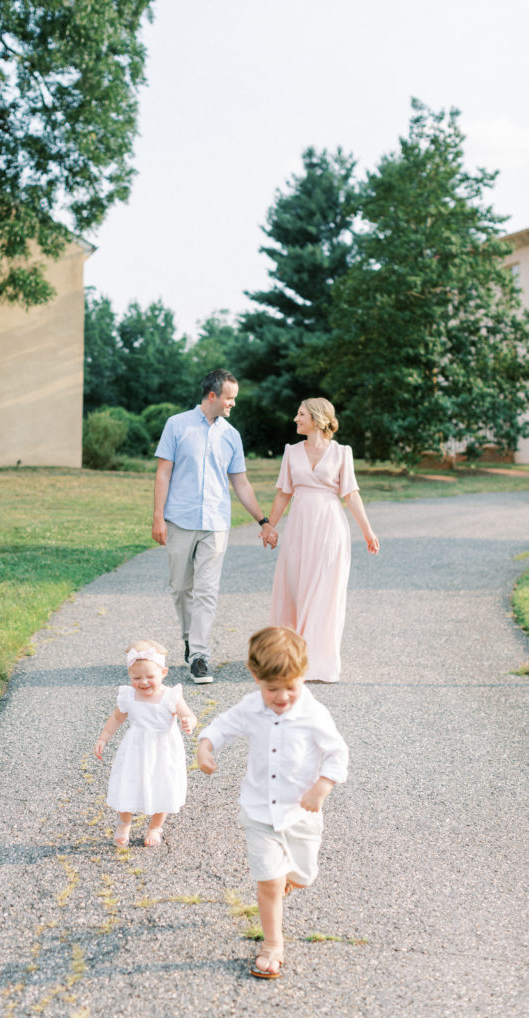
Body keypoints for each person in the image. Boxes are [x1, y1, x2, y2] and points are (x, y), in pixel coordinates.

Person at [197, 626, 348, 980]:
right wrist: (206, 746)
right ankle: (272, 943)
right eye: (271, 689)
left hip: (301, 812)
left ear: (303, 676)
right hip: (259, 810)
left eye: (290, 687)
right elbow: (222, 726)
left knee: (303, 876)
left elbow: (337, 753)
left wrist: (322, 786)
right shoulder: (252, 707)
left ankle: (288, 881)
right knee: (268, 881)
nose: (281, 697)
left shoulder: (314, 713)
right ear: (255, 677)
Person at [153, 369, 277, 684]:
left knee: (207, 590)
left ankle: (199, 656)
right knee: (181, 588)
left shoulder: (231, 435)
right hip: (179, 520)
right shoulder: (176, 425)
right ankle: (189, 637)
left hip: (216, 523)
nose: (232, 404)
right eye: (229, 398)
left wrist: (262, 521)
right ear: (212, 396)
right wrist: (157, 517)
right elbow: (163, 473)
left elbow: (241, 482)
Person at [266, 397, 379, 683]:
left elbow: (351, 494)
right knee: (295, 588)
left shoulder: (342, 453)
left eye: (300, 414)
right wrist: (270, 526)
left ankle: (318, 662)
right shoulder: (291, 452)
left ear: (317, 419)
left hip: (330, 526)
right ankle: (290, 659)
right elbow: (283, 493)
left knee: (324, 592)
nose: (295, 418)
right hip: (299, 528)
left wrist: (367, 531)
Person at [94, 640, 197, 847]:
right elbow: (116, 718)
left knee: (163, 785)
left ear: (163, 673)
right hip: (135, 749)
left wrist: (188, 722)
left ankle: (155, 827)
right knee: (128, 783)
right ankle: (124, 822)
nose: (143, 682)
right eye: (136, 677)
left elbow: (189, 715)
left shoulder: (171, 697)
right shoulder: (129, 696)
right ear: (129, 676)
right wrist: (103, 738)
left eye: (150, 677)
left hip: (164, 749)